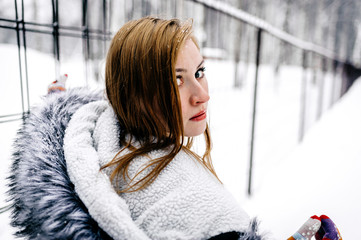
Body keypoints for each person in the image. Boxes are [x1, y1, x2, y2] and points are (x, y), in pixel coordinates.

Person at [7, 16, 341, 240]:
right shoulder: (192, 198)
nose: (203, 94)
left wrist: (58, 101)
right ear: (133, 91)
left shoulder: (99, 138)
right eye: (175, 80)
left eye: (199, 72)